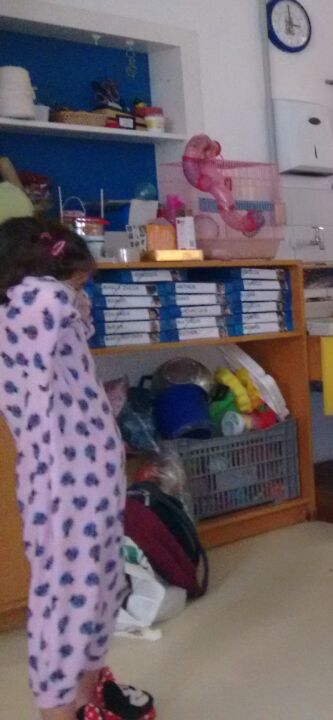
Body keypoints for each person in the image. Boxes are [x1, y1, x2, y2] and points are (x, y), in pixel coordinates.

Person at [0, 217, 156, 720]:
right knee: (65, 600)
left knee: (102, 588)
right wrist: (63, 280)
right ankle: (57, 710)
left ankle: (88, 693)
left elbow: (65, 311)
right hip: (60, 485)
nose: (80, 294)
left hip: (92, 480)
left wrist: (74, 285)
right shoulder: (26, 309)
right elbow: (44, 298)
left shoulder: (51, 314)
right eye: (79, 282)